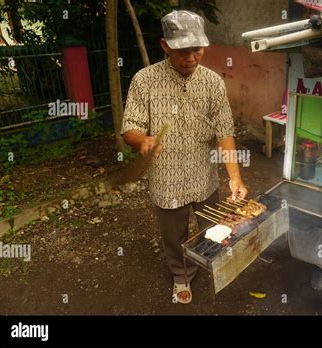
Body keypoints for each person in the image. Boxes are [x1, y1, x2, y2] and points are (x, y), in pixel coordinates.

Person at [120, 10, 248, 304]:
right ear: (165, 45)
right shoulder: (144, 81)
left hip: (203, 176)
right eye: (182, 51)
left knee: (212, 229)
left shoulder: (213, 82)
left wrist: (235, 176)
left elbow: (224, 131)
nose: (190, 58)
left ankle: (207, 264)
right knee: (173, 236)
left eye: (197, 50)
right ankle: (181, 275)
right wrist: (143, 140)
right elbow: (129, 129)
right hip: (166, 180)